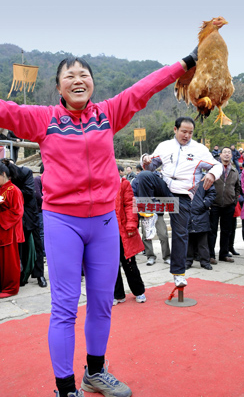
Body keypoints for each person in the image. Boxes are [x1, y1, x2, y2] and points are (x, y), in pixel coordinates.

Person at [0, 47, 199, 397]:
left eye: (84, 75)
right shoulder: (43, 119)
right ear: (59, 87)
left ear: (92, 83)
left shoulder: (107, 113)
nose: (78, 80)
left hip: (104, 222)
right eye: (69, 76)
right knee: (64, 307)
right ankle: (65, 389)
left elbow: (144, 89)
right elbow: (5, 110)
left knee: (103, 302)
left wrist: (186, 63)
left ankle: (95, 372)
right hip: (63, 221)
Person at [137, 116, 222, 288]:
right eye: (184, 131)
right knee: (144, 176)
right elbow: (150, 166)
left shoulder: (199, 149)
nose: (187, 135)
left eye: (190, 133)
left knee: (181, 233)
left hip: (183, 194)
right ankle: (149, 216)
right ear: (175, 130)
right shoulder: (165, 146)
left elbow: (217, 165)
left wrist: (212, 174)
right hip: (165, 186)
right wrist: (145, 159)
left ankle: (178, 273)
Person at [1, 160, 47, 288]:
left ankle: (40, 275)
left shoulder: (25, 173)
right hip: (14, 212)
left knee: (37, 244)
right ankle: (21, 275)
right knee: (20, 246)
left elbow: (29, 192)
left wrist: (10, 193)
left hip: (30, 212)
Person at [113, 168, 146, 305]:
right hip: (106, 233)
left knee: (129, 263)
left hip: (123, 230)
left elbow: (130, 204)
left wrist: (131, 224)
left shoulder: (123, 183)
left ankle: (139, 291)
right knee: (111, 266)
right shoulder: (99, 184)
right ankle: (118, 294)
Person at [208, 147, 241, 264]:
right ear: (220, 155)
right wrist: (209, 201)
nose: (227, 155)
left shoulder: (234, 171)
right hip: (214, 205)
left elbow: (238, 187)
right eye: (225, 152)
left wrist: (234, 200)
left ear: (231, 156)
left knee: (226, 231)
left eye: (229, 153)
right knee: (212, 231)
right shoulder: (214, 169)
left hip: (229, 205)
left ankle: (224, 253)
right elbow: (207, 185)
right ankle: (210, 255)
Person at [0, 160, 24, 298]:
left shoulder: (13, 190)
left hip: (9, 231)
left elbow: (17, 212)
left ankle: (10, 288)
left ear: (3, 174)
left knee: (9, 261)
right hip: (2, 230)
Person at [186, 175, 216, 270]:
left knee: (203, 241)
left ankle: (205, 262)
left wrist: (204, 204)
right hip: (187, 213)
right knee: (188, 241)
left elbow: (212, 193)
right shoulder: (184, 177)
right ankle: (187, 261)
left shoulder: (205, 178)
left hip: (201, 213)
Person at [34, 163, 45, 256]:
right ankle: (42, 251)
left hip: (44, 210)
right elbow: (38, 195)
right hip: (40, 210)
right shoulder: (37, 179)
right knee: (41, 232)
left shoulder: (44, 180)